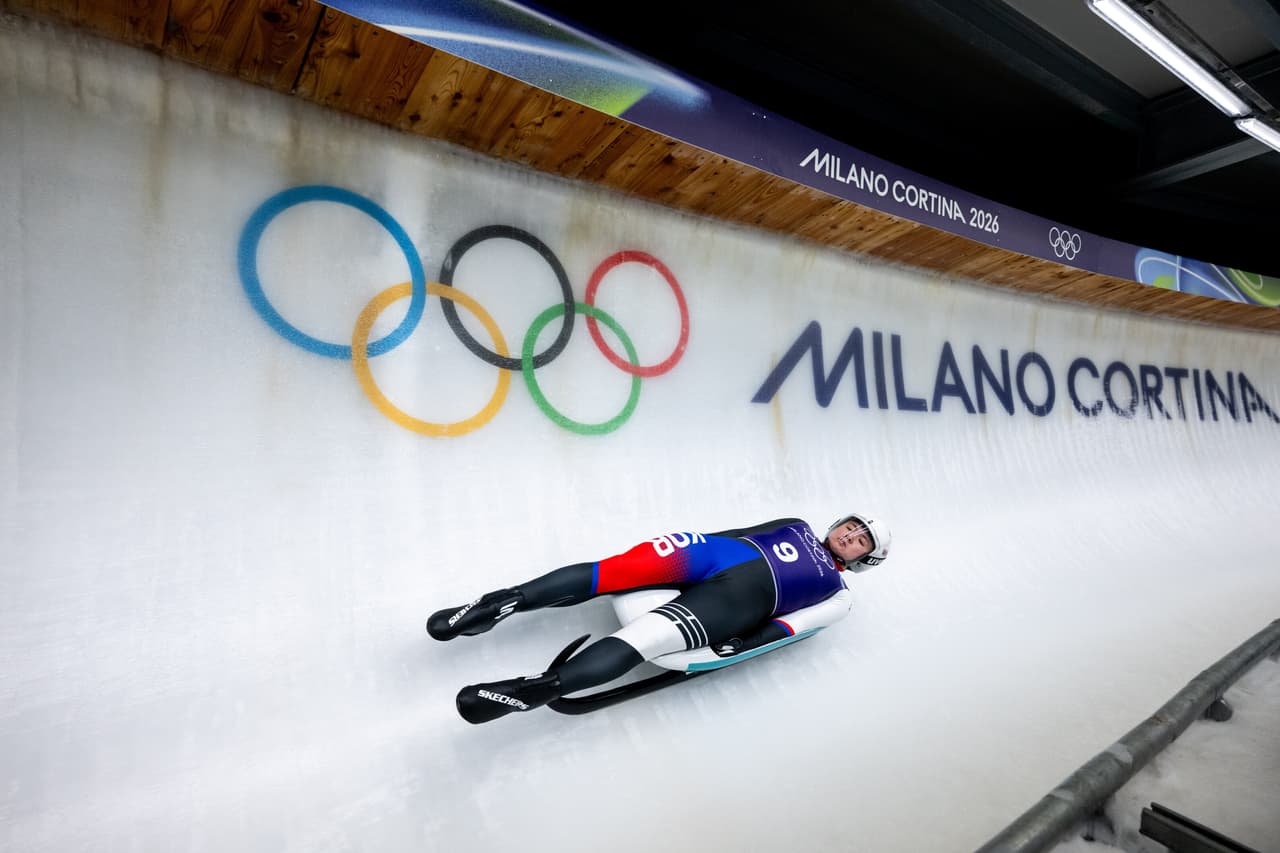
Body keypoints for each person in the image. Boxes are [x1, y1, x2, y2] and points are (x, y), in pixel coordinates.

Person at [428, 513, 892, 724]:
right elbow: (736, 533)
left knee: (642, 633)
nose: (850, 535)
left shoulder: (839, 596)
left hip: (736, 597)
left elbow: (792, 628)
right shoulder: (796, 523)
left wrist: (741, 645)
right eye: (851, 526)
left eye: (860, 540)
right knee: (611, 572)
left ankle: (531, 680)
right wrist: (688, 555)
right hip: (712, 557)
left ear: (864, 560)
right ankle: (502, 607)